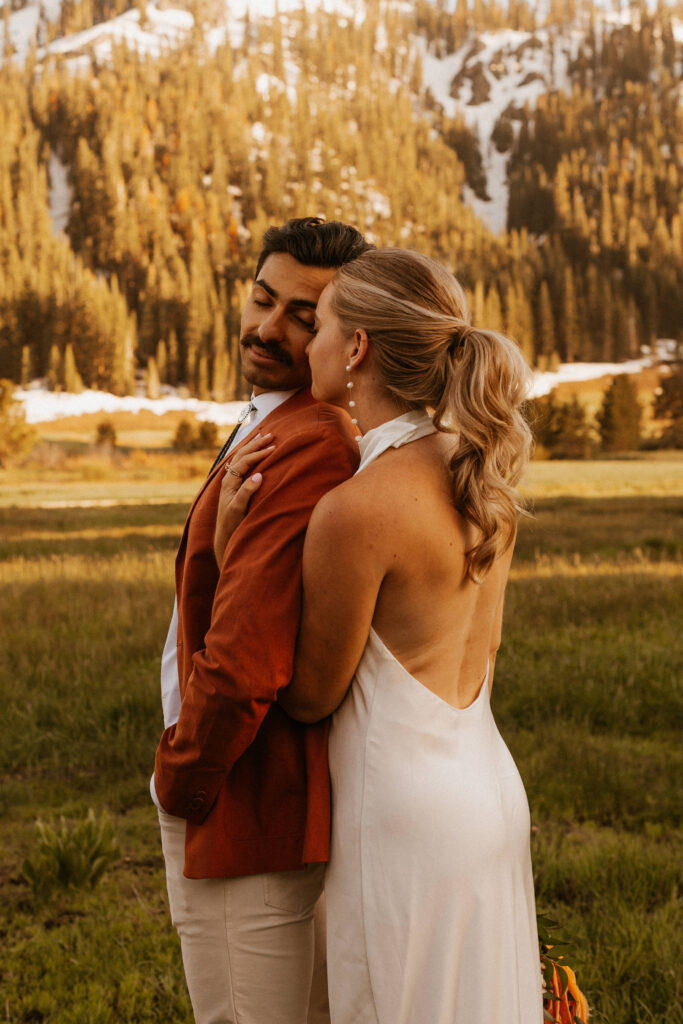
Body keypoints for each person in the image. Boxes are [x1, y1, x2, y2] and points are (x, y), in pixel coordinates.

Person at [217, 248, 544, 1023]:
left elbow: (306, 697)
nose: (310, 344)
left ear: (357, 347)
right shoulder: (478, 477)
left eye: (322, 323)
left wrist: (237, 552)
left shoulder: (358, 508)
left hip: (401, 821)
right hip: (488, 795)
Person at [151, 217, 372, 1024]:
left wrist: (182, 777)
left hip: (241, 800)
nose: (267, 328)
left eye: (303, 316)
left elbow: (248, 661)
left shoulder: (310, 441)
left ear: (351, 337)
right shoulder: (273, 421)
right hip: (240, 793)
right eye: (260, 300)